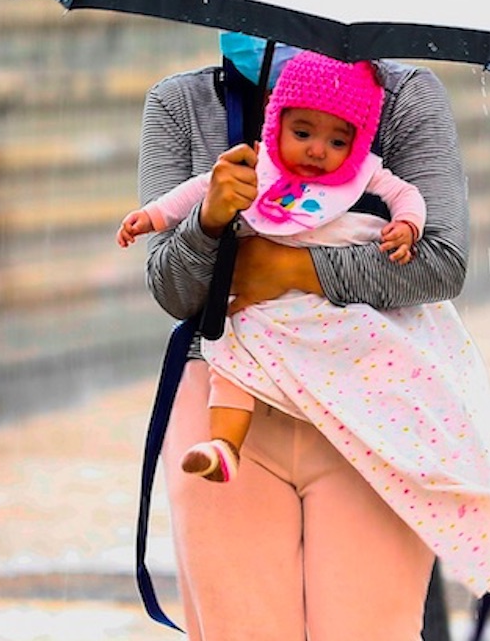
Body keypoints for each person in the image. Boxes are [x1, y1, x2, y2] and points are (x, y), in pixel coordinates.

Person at [137, 35, 490, 641]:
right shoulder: (181, 104)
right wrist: (210, 221)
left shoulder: (403, 95)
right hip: (227, 406)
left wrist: (294, 269)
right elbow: (172, 289)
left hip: (371, 403)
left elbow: (441, 263)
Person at [119, 51, 427, 483]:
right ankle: (224, 445)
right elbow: (192, 192)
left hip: (333, 330)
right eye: (301, 132)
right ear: (275, 120)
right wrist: (152, 217)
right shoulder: (253, 159)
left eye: (338, 143)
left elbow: (410, 201)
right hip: (257, 312)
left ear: (357, 143)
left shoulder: (368, 169)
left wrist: (408, 226)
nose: (318, 151)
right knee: (231, 348)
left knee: (374, 338)